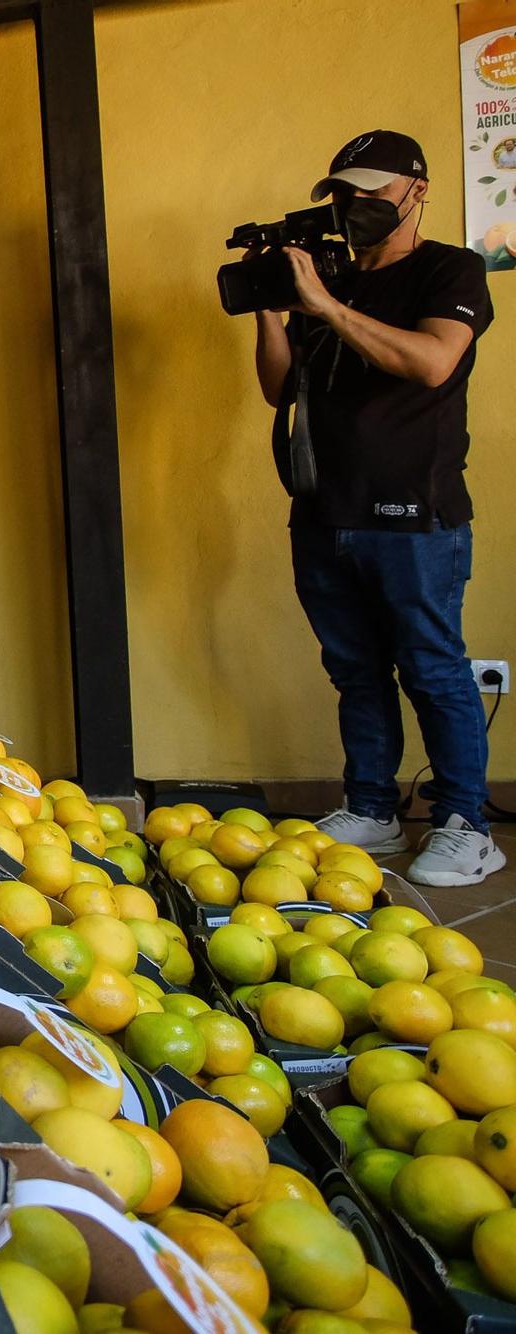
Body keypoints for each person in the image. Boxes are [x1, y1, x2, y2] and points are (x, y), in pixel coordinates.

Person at [253, 129, 501, 886]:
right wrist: (270, 308)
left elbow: (431, 362)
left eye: (372, 193)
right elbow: (277, 387)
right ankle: (372, 808)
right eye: (344, 195)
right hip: (326, 508)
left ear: (415, 191)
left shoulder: (449, 268)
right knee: (355, 669)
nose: (355, 207)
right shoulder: (330, 277)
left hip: (415, 515)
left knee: (432, 667)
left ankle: (466, 823)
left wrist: (325, 305)